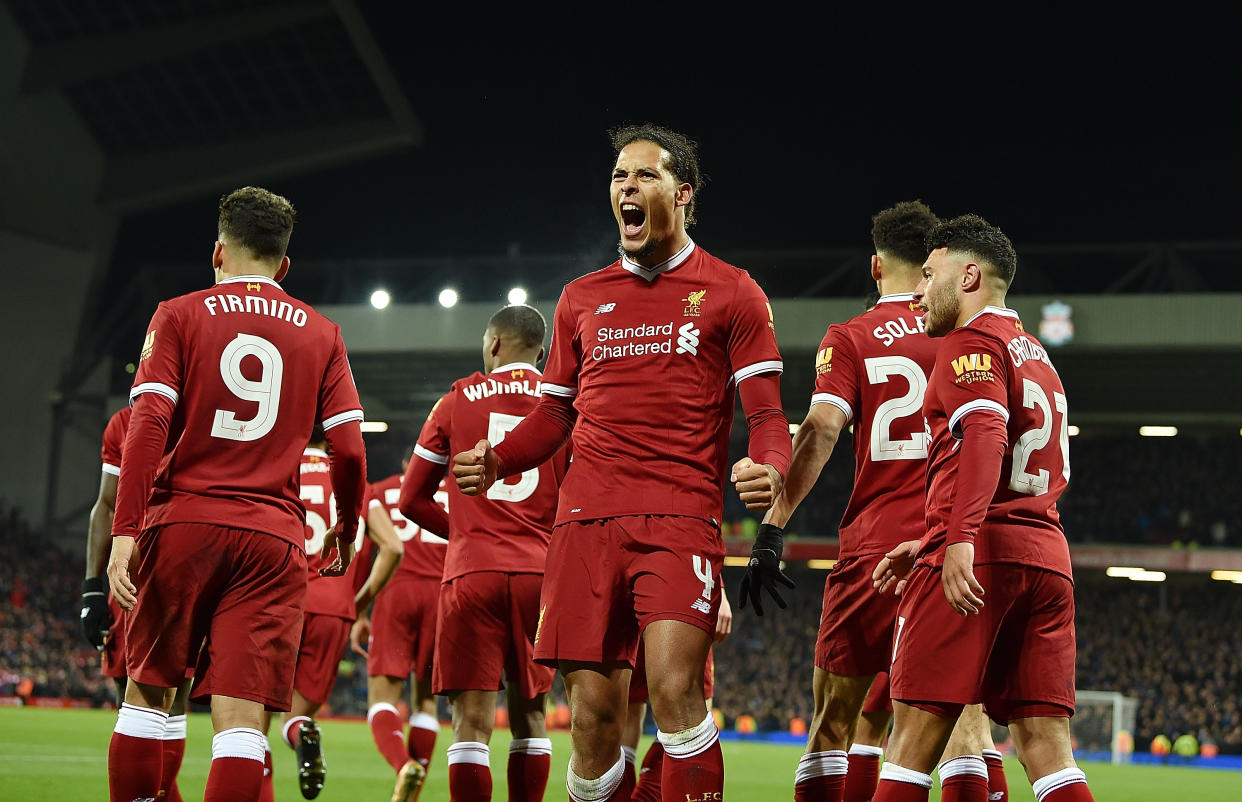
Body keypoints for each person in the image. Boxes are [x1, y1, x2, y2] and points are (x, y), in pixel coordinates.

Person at [452, 124, 792, 802]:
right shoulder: (581, 298)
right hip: (583, 522)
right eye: (617, 177)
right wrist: (498, 459)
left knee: (672, 692)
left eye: (643, 175)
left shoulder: (732, 291)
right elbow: (553, 417)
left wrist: (770, 467)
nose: (626, 188)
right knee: (591, 721)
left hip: (678, 516)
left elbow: (767, 416)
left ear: (682, 192)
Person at [105, 186, 367, 802]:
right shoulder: (324, 333)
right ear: (284, 264)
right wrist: (346, 527)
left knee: (148, 696)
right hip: (274, 540)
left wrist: (125, 530)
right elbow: (349, 450)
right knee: (243, 724)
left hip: (183, 524)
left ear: (217, 252)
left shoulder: (178, 313)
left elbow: (147, 428)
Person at [870, 215, 1092, 802]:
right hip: (1046, 558)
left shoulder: (971, 344)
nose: (918, 290)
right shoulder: (1037, 354)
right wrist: (930, 539)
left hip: (980, 556)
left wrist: (957, 538)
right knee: (1047, 747)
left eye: (928, 273)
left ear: (968, 275)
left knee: (911, 741)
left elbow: (987, 434)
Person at [758, 200, 941, 802]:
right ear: (934, 265)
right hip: (949, 549)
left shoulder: (852, 337)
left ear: (874, 266)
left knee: (833, 723)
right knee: (958, 730)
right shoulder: (969, 338)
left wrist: (775, 522)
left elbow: (821, 430)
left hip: (874, 548)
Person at [404, 304, 568, 802]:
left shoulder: (456, 399)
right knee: (533, 719)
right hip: (541, 576)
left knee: (470, 725)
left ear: (494, 344)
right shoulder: (565, 403)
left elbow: (412, 497)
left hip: (472, 572)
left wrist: (466, 531)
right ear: (541, 352)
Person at [262, 428, 401, 800]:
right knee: (296, 716)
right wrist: (356, 605)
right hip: (332, 608)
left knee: (250, 726)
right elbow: (392, 547)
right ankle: (300, 731)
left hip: (277, 602)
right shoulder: (356, 485)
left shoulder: (277, 470)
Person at [81, 405, 192, 802]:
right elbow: (107, 505)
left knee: (149, 711)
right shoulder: (125, 423)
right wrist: (92, 589)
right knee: (155, 712)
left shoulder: (199, 412)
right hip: (138, 579)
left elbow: (108, 505)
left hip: (169, 574)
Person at [352, 447, 449, 801]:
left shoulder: (381, 490)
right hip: (443, 597)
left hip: (396, 592)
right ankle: (413, 788)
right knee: (425, 701)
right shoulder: (457, 493)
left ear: (408, 463)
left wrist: (359, 611)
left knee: (382, 698)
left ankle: (402, 765)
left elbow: (365, 552)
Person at [623, 594, 730, 802]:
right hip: (670, 594)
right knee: (691, 715)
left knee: (631, 714)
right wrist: (720, 591)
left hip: (650, 589)